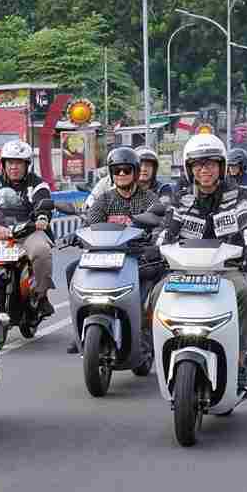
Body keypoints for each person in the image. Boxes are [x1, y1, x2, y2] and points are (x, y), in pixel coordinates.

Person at [148, 133, 247, 386]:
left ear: (221, 166)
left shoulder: (238, 195)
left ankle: (242, 357)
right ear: (190, 169)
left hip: (226, 269)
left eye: (210, 163)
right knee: (156, 294)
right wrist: (155, 249)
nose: (204, 170)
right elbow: (168, 228)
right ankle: (158, 350)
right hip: (185, 270)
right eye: (198, 165)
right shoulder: (182, 197)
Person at [65, 147, 161, 354]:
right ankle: (79, 327)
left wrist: (153, 241)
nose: (122, 175)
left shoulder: (149, 198)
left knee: (151, 286)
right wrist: (78, 235)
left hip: (138, 258)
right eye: (117, 171)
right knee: (71, 269)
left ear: (135, 172)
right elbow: (91, 223)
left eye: (127, 170)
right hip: (104, 257)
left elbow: (160, 222)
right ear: (111, 174)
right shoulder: (105, 199)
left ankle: (145, 332)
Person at [0, 139, 56, 318]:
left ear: (27, 165)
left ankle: (41, 295)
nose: (14, 167)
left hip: (28, 231)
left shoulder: (37, 184)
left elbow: (43, 202)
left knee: (41, 251)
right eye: (10, 162)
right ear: (3, 164)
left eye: (19, 163)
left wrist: (42, 217)